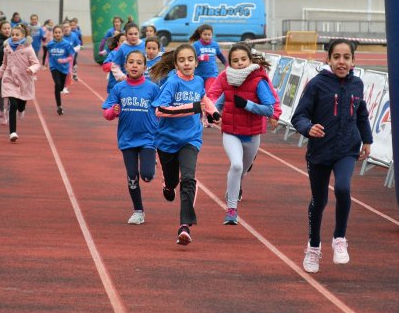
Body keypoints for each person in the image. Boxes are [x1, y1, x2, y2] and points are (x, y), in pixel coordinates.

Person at [291, 38, 372, 274]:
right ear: (328, 59)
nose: (341, 61)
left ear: (353, 61)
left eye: (346, 57)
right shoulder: (317, 84)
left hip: (347, 149)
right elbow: (299, 116)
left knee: (344, 188)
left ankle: (339, 238)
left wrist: (366, 140)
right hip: (320, 151)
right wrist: (309, 128)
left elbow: (362, 114)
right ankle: (313, 247)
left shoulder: (357, 85)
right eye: (336, 57)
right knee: (319, 201)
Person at [149, 44, 220, 245]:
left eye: (190, 59)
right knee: (173, 181)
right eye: (182, 60)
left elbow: (203, 99)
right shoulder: (172, 83)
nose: (187, 63)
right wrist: (192, 108)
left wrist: (212, 112)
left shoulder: (198, 81)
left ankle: (185, 226)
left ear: (196, 62)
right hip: (167, 140)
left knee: (188, 179)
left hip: (191, 138)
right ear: (176, 64)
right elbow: (160, 110)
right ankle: (168, 185)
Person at [207, 43, 279, 225]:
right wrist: (213, 113)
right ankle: (231, 210)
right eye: (235, 60)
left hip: (253, 134)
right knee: (237, 166)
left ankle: (234, 186)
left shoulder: (259, 80)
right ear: (229, 63)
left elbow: (269, 109)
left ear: (250, 60)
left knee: (242, 171)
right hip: (231, 131)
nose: (239, 63)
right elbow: (221, 101)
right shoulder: (226, 78)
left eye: (243, 60)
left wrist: (247, 105)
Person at [102, 50, 160, 224]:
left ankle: (152, 165)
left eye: (139, 63)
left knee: (147, 175)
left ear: (145, 66)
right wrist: (113, 111)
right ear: (126, 65)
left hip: (148, 138)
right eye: (131, 62)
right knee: (132, 176)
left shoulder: (152, 88)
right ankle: (138, 211)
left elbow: (161, 110)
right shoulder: (119, 88)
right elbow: (107, 113)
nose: (134, 65)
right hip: (127, 139)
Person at [0, 24, 40, 142]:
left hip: (24, 79)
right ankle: (13, 132)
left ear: (23, 36)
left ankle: (22, 109)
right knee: (12, 104)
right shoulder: (7, 48)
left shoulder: (28, 49)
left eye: (17, 35)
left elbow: (36, 63)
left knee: (21, 103)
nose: (14, 37)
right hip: (10, 79)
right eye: (12, 35)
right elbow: (4, 64)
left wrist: (31, 69)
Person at [47, 25, 76, 115]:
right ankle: (59, 106)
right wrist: (46, 62)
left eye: (59, 32)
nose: (57, 34)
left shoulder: (66, 44)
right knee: (57, 84)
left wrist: (63, 60)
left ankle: (59, 92)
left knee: (61, 87)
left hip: (64, 68)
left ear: (62, 33)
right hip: (54, 67)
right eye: (55, 32)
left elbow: (71, 56)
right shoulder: (50, 44)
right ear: (53, 34)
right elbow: (49, 54)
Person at [189, 24, 227, 93]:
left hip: (212, 74)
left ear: (212, 35)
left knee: (209, 93)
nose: (207, 36)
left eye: (209, 34)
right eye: (205, 34)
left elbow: (220, 56)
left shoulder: (215, 45)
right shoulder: (196, 45)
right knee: (198, 94)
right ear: (200, 34)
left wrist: (227, 64)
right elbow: (190, 59)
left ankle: (208, 103)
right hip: (198, 75)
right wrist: (200, 58)